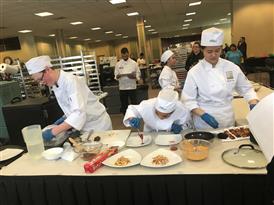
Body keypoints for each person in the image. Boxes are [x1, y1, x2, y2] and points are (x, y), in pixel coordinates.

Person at [182, 27, 258, 130]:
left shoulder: (232, 67)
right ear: (202, 50)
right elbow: (188, 100)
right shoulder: (195, 72)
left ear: (221, 49)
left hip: (227, 117)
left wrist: (253, 102)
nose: (213, 55)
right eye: (209, 51)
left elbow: (246, 89)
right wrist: (203, 115)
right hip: (204, 120)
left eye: (217, 51)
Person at [25, 55, 112, 141]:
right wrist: (65, 117)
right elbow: (71, 106)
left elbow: (78, 113)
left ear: (47, 70)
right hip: (85, 127)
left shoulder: (70, 81)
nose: (41, 83)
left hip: (98, 125)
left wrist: (53, 132)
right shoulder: (55, 84)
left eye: (40, 79)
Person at [123, 88, 191, 133]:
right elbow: (132, 109)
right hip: (150, 133)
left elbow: (187, 124)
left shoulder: (182, 109)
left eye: (165, 116)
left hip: (170, 134)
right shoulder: (147, 105)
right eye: (157, 113)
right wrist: (131, 118)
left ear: (173, 111)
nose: (160, 118)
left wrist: (181, 128)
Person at [114, 47, 141, 115]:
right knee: (124, 103)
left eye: (126, 55)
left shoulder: (134, 63)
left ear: (128, 53)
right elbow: (115, 75)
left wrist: (134, 76)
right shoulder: (118, 64)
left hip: (132, 86)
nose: (124, 57)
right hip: (122, 87)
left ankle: (135, 114)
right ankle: (125, 115)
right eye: (123, 56)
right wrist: (118, 76)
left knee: (134, 102)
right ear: (121, 55)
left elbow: (138, 74)